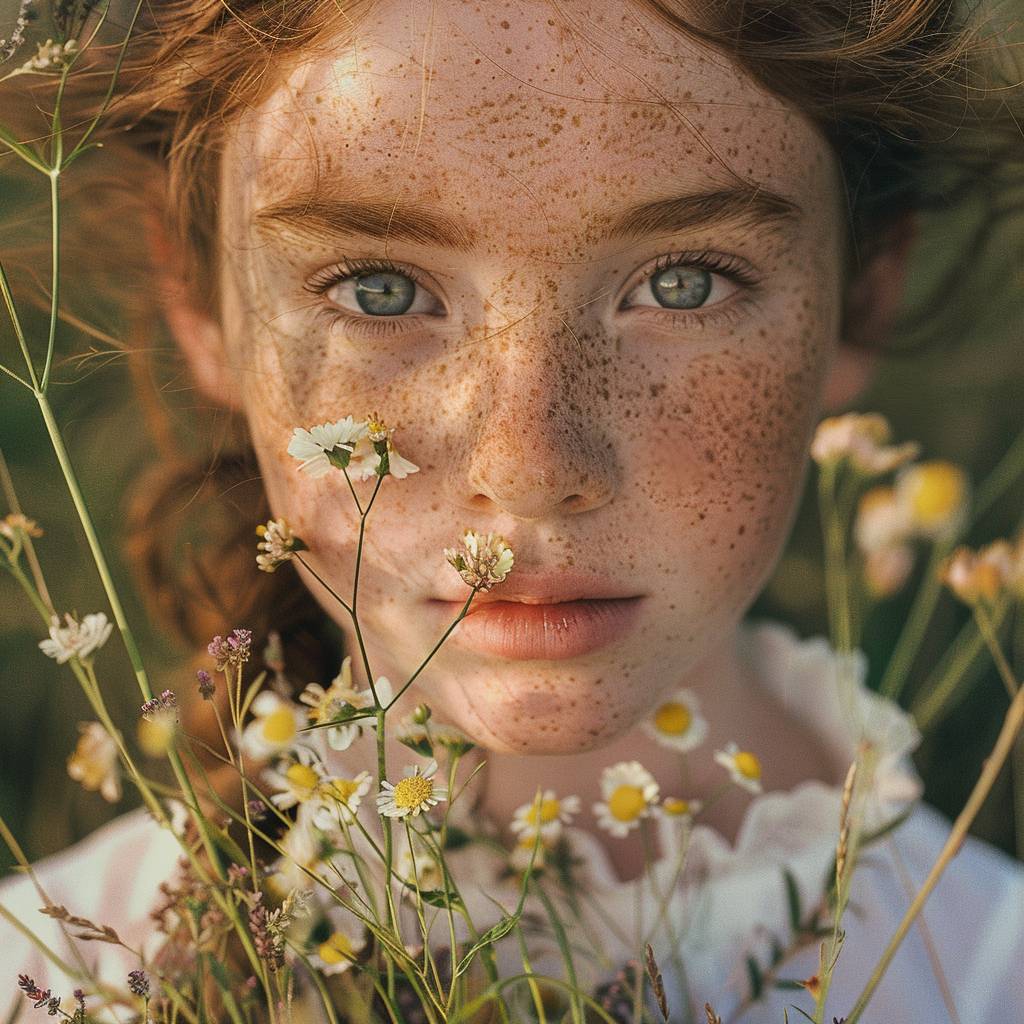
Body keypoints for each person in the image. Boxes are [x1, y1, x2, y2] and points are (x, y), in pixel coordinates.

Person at [1, 0, 1022, 1020]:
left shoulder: (987, 980)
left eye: (682, 281)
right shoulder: (47, 983)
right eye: (380, 290)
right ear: (202, 298)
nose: (530, 465)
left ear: (863, 288)